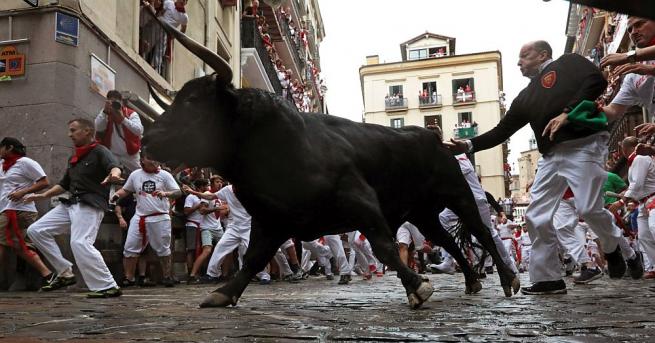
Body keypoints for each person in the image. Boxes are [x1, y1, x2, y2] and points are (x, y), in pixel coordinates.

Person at [446, 40, 625, 295]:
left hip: (583, 145)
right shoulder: (526, 97)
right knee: (535, 215)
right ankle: (548, 279)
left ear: (543, 54)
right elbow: (501, 131)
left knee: (589, 208)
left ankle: (611, 246)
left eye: (525, 56)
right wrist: (468, 145)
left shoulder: (568, 62)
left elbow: (596, 80)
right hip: (550, 157)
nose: (519, 62)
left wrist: (567, 112)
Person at [26, 118, 123, 298]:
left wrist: (114, 176)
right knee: (36, 230)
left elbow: (114, 167)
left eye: (73, 130)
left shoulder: (100, 151)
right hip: (71, 203)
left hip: (90, 204)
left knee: (79, 242)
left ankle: (108, 286)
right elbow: (64, 184)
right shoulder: (74, 158)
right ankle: (65, 272)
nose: (69, 135)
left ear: (87, 131)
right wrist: (43, 195)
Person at [111, 155, 182, 287]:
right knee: (130, 247)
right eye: (150, 157)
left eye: (155, 157)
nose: (155, 160)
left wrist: (166, 193)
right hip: (140, 216)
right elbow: (126, 189)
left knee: (163, 249)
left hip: (160, 216)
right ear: (143, 160)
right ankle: (129, 277)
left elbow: (178, 192)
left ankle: (167, 276)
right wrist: (116, 195)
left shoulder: (165, 175)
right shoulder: (135, 175)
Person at [0, 137, 54, 287]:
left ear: (9, 148)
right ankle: (48, 275)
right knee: (19, 246)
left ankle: (48, 275)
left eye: (1, 147)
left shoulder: (25, 163)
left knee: (16, 246)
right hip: (6, 209)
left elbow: (44, 182)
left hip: (21, 210)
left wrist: (22, 192)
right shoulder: (2, 165)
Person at [94, 90, 144, 173]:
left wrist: (123, 119)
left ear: (121, 102)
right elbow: (98, 127)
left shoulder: (130, 113)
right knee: (109, 174)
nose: (114, 105)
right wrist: (105, 112)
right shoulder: (105, 112)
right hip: (112, 154)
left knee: (140, 174)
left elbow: (139, 130)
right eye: (112, 102)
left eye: (116, 102)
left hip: (130, 154)